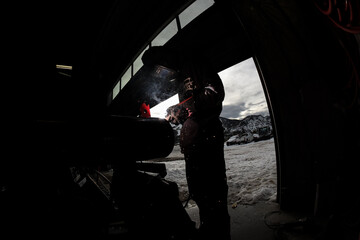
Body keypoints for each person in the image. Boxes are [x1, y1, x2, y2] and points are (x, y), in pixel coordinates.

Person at [142, 46, 231, 240]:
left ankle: (219, 234)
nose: (162, 74)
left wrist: (183, 107)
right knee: (200, 194)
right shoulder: (181, 78)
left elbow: (215, 92)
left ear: (165, 59)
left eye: (160, 69)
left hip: (207, 139)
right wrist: (178, 115)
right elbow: (191, 109)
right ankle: (209, 231)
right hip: (194, 145)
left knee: (213, 196)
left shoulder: (194, 63)